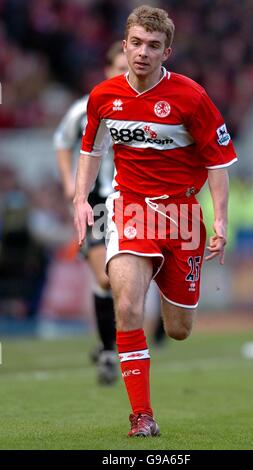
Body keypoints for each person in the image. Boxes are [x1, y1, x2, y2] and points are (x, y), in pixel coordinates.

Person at [74, 5, 237, 436]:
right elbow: (90, 150)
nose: (143, 53)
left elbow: (218, 163)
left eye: (154, 46)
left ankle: (172, 304)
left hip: (183, 215)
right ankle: (142, 416)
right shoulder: (104, 96)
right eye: (136, 43)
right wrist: (79, 199)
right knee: (126, 305)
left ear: (168, 51)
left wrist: (220, 220)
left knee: (179, 329)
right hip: (129, 207)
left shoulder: (192, 97)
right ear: (124, 45)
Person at [54, 42, 128, 384]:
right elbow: (62, 140)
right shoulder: (86, 108)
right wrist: (71, 182)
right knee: (104, 278)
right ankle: (110, 349)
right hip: (98, 205)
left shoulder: (146, 108)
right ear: (107, 70)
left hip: (134, 205)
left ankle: (110, 347)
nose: (125, 74)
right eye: (118, 67)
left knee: (128, 282)